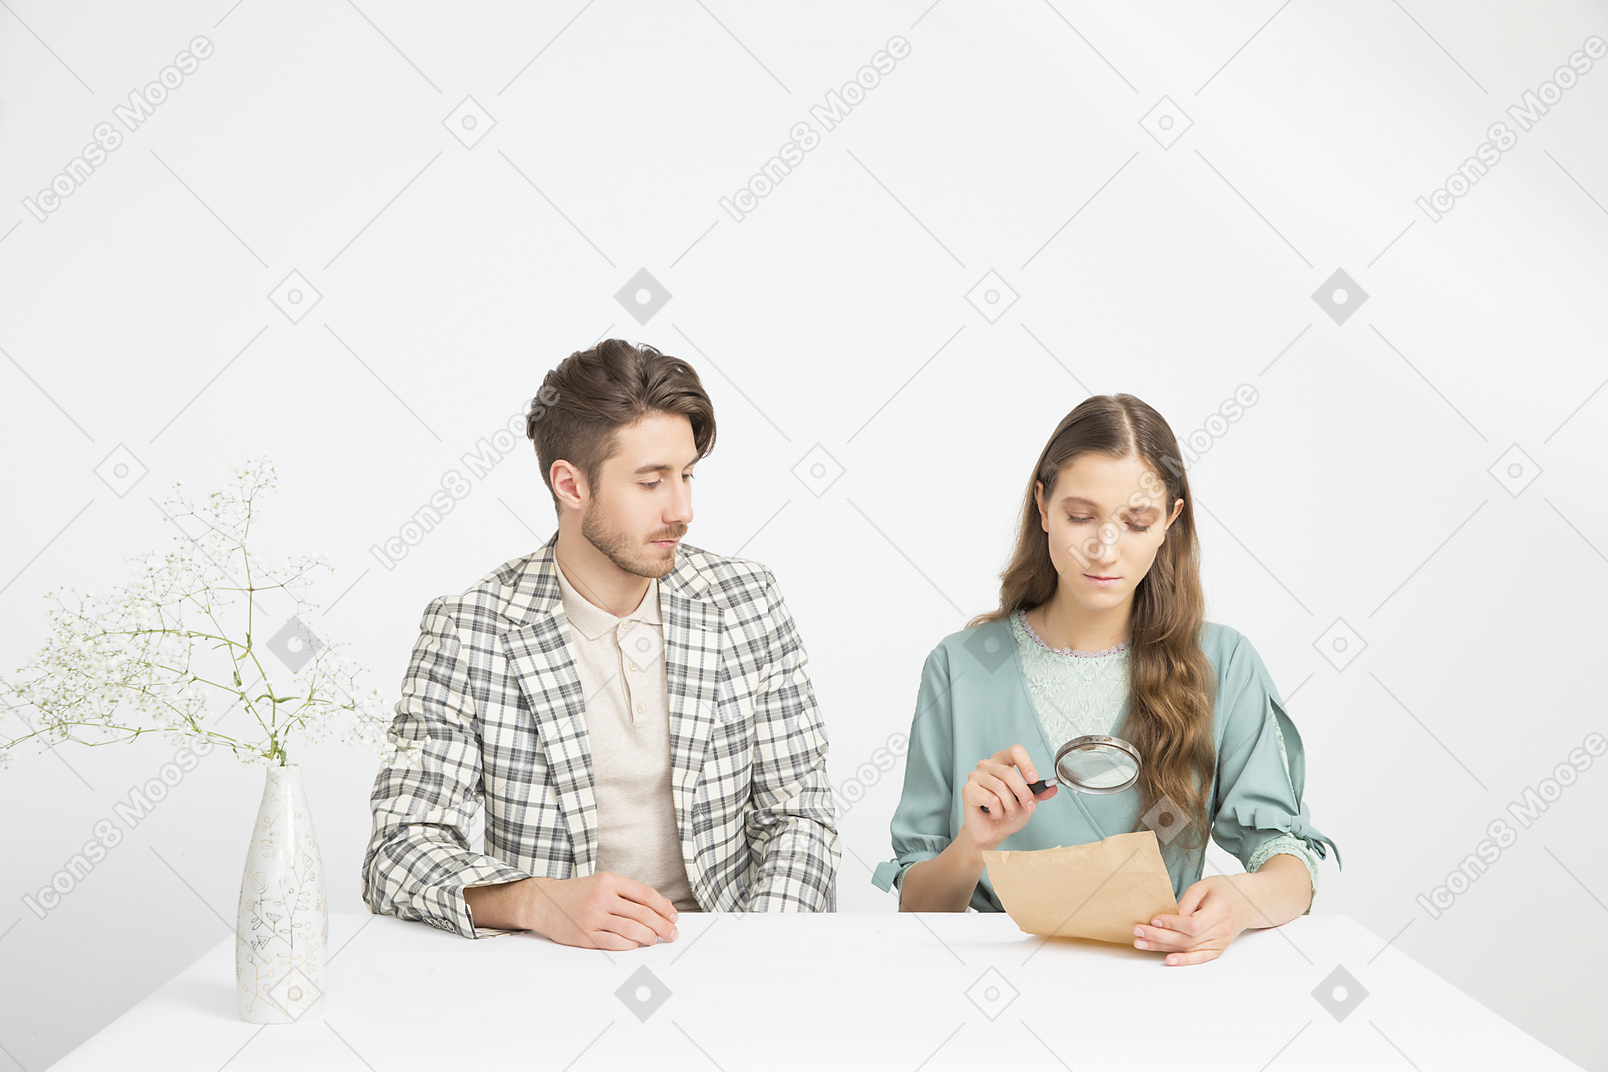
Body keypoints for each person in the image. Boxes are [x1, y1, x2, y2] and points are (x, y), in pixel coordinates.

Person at [363, 339, 839, 949]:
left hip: (729, 953)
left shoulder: (746, 600)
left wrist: (749, 954)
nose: (683, 509)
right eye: (650, 482)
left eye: (687, 475)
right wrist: (537, 902)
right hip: (553, 963)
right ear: (571, 484)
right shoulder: (469, 630)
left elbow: (799, 817)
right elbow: (398, 851)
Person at [870, 393, 1341, 966]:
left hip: (1157, 980)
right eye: (1081, 515)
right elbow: (919, 910)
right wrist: (974, 845)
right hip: (999, 984)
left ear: (1170, 520)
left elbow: (1287, 853)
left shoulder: (1222, 662)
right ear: (1042, 506)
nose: (1104, 548)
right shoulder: (962, 666)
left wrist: (1243, 902)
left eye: (1135, 522)